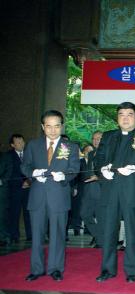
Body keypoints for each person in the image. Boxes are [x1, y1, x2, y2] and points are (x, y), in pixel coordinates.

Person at [95, 102, 135, 283]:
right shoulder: (108, 136)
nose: (125, 118)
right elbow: (98, 158)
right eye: (121, 114)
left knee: (132, 232)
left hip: (133, 190)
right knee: (108, 231)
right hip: (110, 190)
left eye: (130, 114)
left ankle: (131, 271)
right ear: (117, 118)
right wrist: (101, 170)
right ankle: (107, 269)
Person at [21, 110, 80, 281]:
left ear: (62, 126)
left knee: (58, 235)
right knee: (37, 235)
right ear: (42, 127)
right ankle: (36, 269)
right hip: (37, 196)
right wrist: (33, 172)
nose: (53, 130)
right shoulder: (33, 145)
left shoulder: (70, 147)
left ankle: (55, 268)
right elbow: (25, 166)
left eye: (56, 126)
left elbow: (74, 169)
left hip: (59, 196)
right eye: (49, 126)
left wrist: (65, 176)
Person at [79, 132, 103, 247]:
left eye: (98, 139)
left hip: (102, 190)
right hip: (88, 190)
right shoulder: (91, 153)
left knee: (101, 218)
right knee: (84, 214)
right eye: (94, 139)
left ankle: (101, 241)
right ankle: (100, 236)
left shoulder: (108, 154)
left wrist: (98, 177)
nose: (95, 141)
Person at [7, 134, 31, 243]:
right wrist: (21, 182)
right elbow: (8, 173)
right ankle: (14, 236)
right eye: (18, 142)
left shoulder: (29, 155)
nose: (21, 144)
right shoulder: (8, 156)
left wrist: (28, 181)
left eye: (22, 141)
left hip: (29, 188)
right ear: (13, 145)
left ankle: (30, 235)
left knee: (29, 213)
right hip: (15, 189)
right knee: (14, 213)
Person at [0, 151, 13, 246]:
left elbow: (9, 170)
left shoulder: (4, 156)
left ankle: (3, 237)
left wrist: (2, 180)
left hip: (1, 189)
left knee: (2, 215)